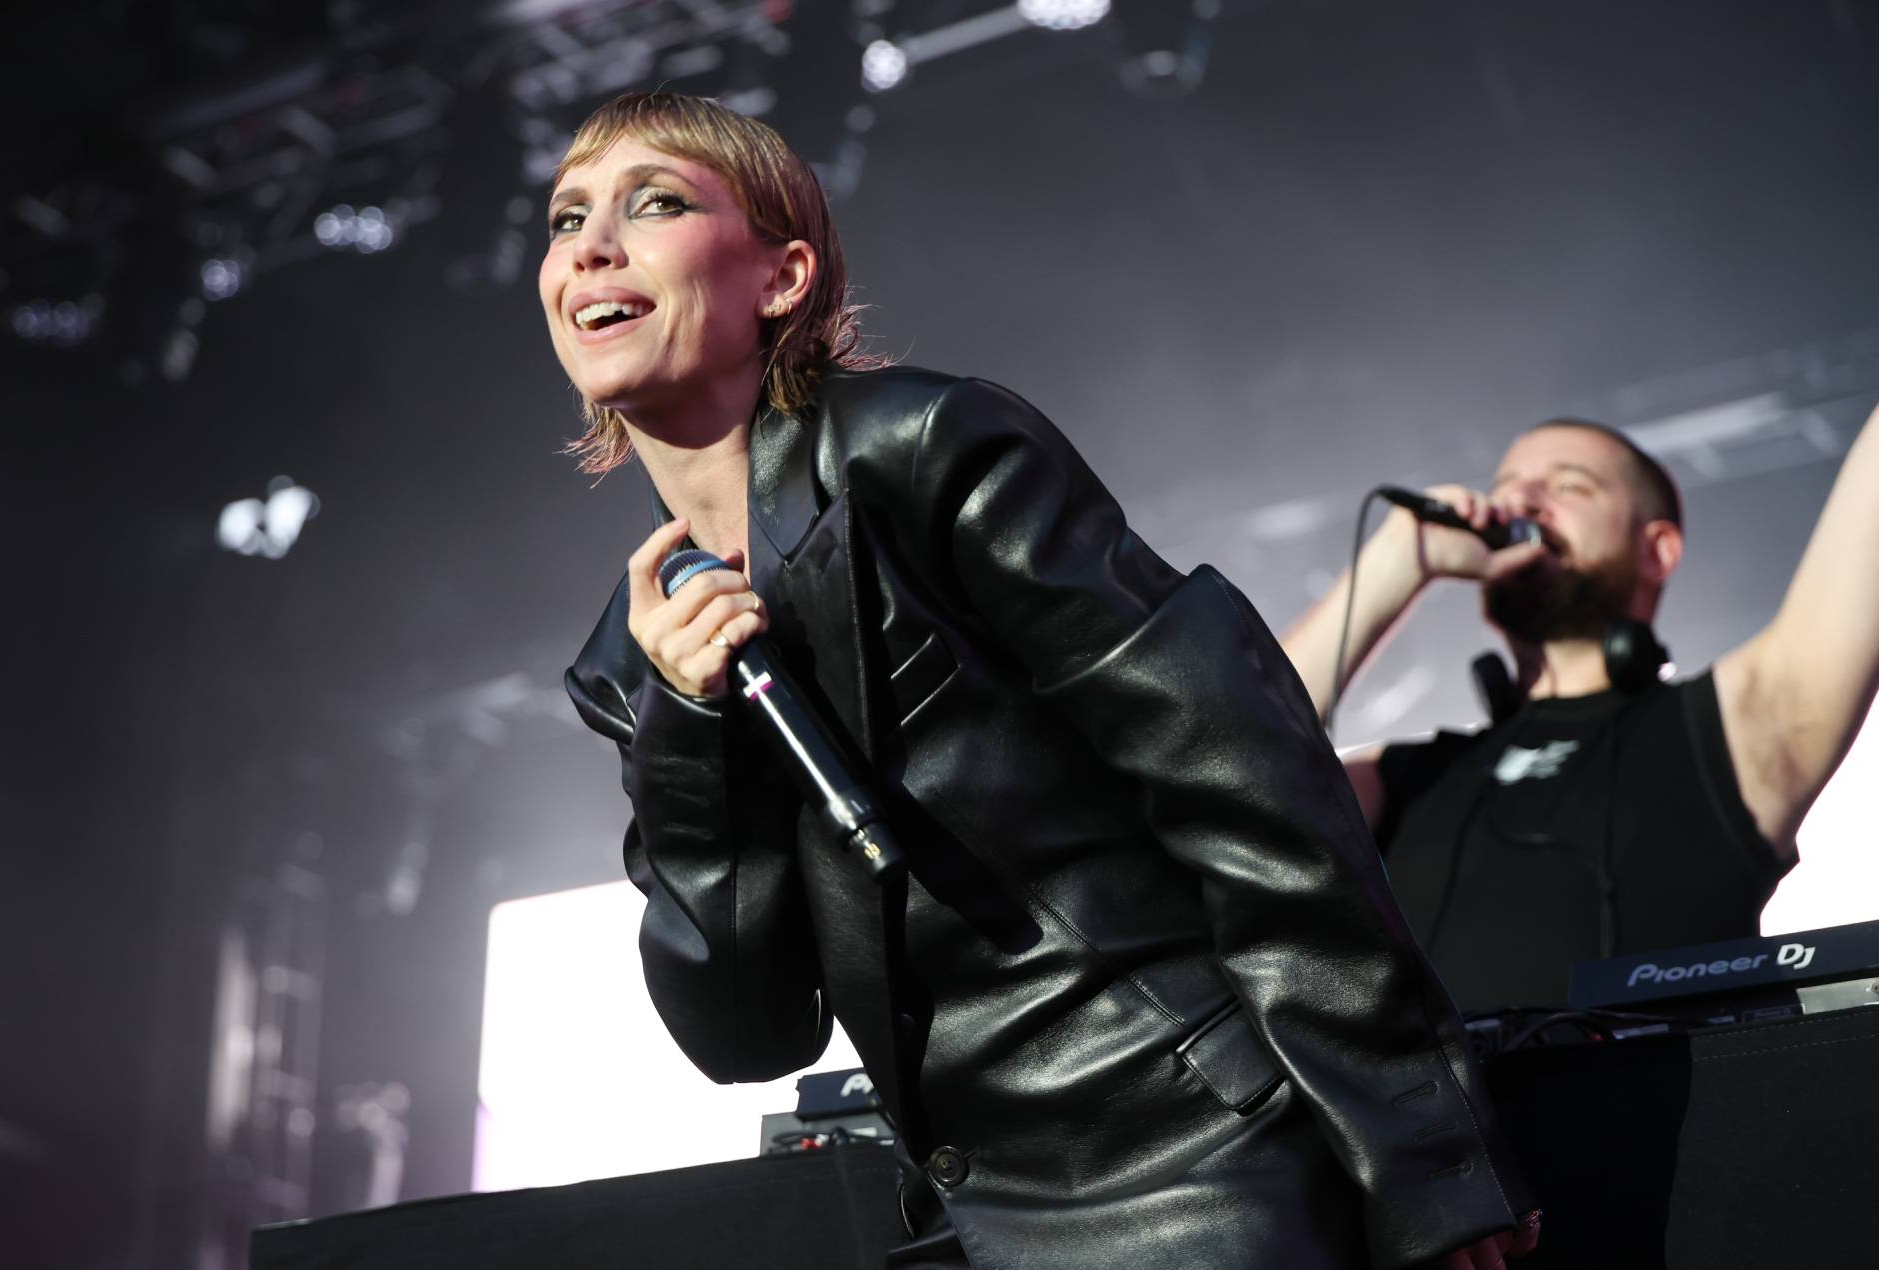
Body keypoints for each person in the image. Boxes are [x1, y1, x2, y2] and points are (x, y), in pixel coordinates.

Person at [553, 92, 1539, 1270]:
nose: (591, 246)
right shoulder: (632, 657)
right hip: (971, 1212)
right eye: (566, 220)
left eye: (653, 202)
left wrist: (1420, 1146)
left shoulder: (924, 448)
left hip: (1189, 1159)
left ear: (782, 275)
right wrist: (686, 728)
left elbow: (1239, 777)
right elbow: (746, 1035)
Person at [1278, 411, 1879, 1012]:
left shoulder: (1737, 725)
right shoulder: (1400, 776)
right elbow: (1218, 755)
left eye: (1569, 486)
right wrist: (1394, 562)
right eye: (1507, 485)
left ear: (1657, 551)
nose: (1522, 500)